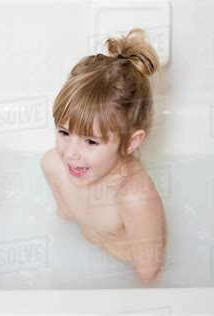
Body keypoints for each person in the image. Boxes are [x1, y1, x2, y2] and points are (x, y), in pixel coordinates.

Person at [41, 29, 166, 282]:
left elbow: (149, 273)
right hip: (88, 257)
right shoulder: (53, 164)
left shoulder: (134, 197)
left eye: (90, 141)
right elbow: (65, 217)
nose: (71, 154)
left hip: (127, 266)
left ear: (131, 141)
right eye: (64, 132)